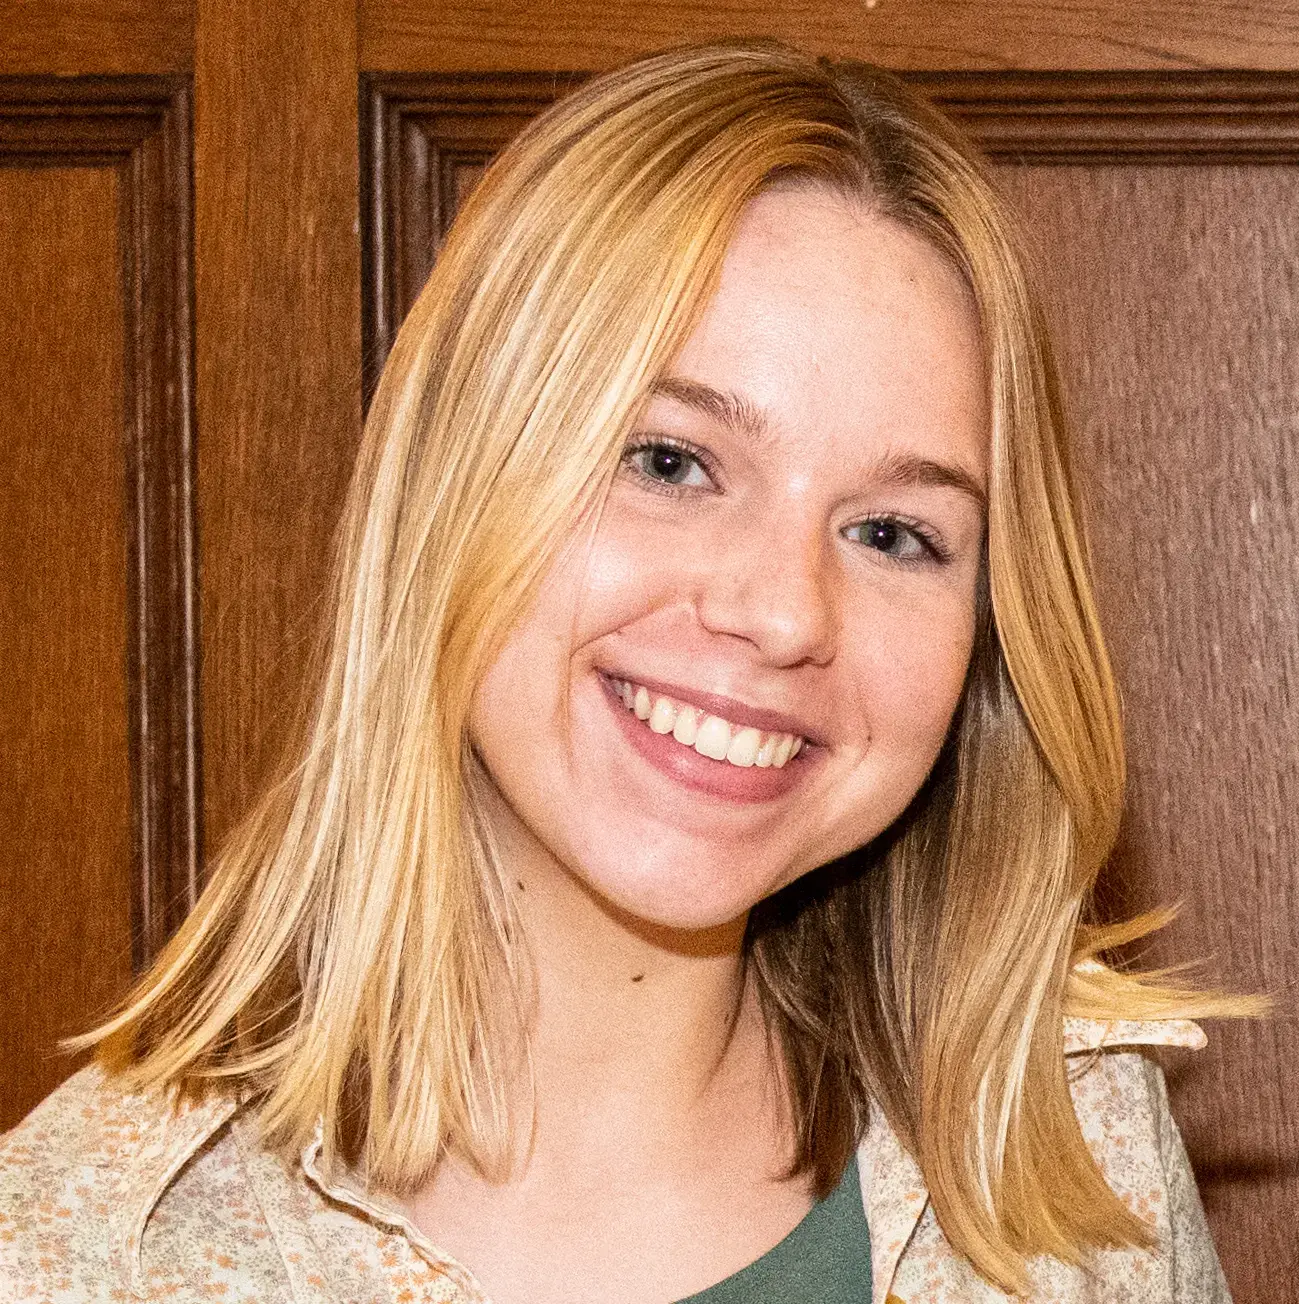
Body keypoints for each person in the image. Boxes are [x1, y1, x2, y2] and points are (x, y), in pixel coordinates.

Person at [0, 40, 1250, 1304]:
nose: (778, 610)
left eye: (892, 533)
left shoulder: (1073, 1160)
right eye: (669, 461)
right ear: (451, 481)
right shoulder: (83, 1250)